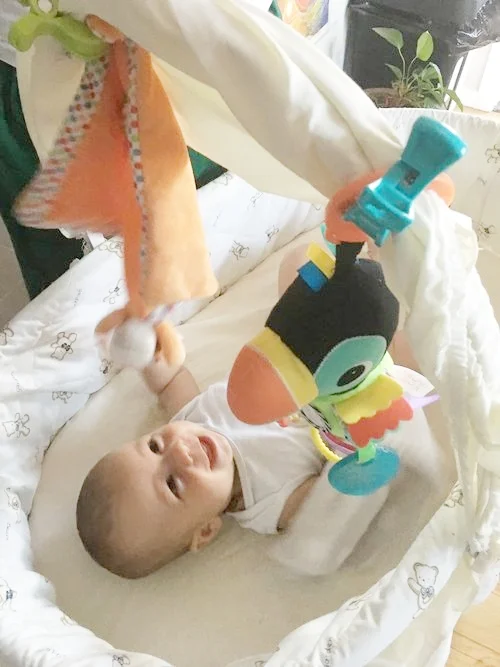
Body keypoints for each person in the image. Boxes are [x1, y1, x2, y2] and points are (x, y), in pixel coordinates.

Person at [76, 245, 432, 580]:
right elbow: (334, 495)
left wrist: (147, 348)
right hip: (353, 386)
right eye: (173, 484)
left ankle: (367, 267)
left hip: (299, 352)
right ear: (206, 530)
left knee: (297, 265)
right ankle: (400, 292)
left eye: (154, 446)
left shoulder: (192, 420)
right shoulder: (270, 504)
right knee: (414, 357)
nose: (179, 451)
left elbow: (169, 382)